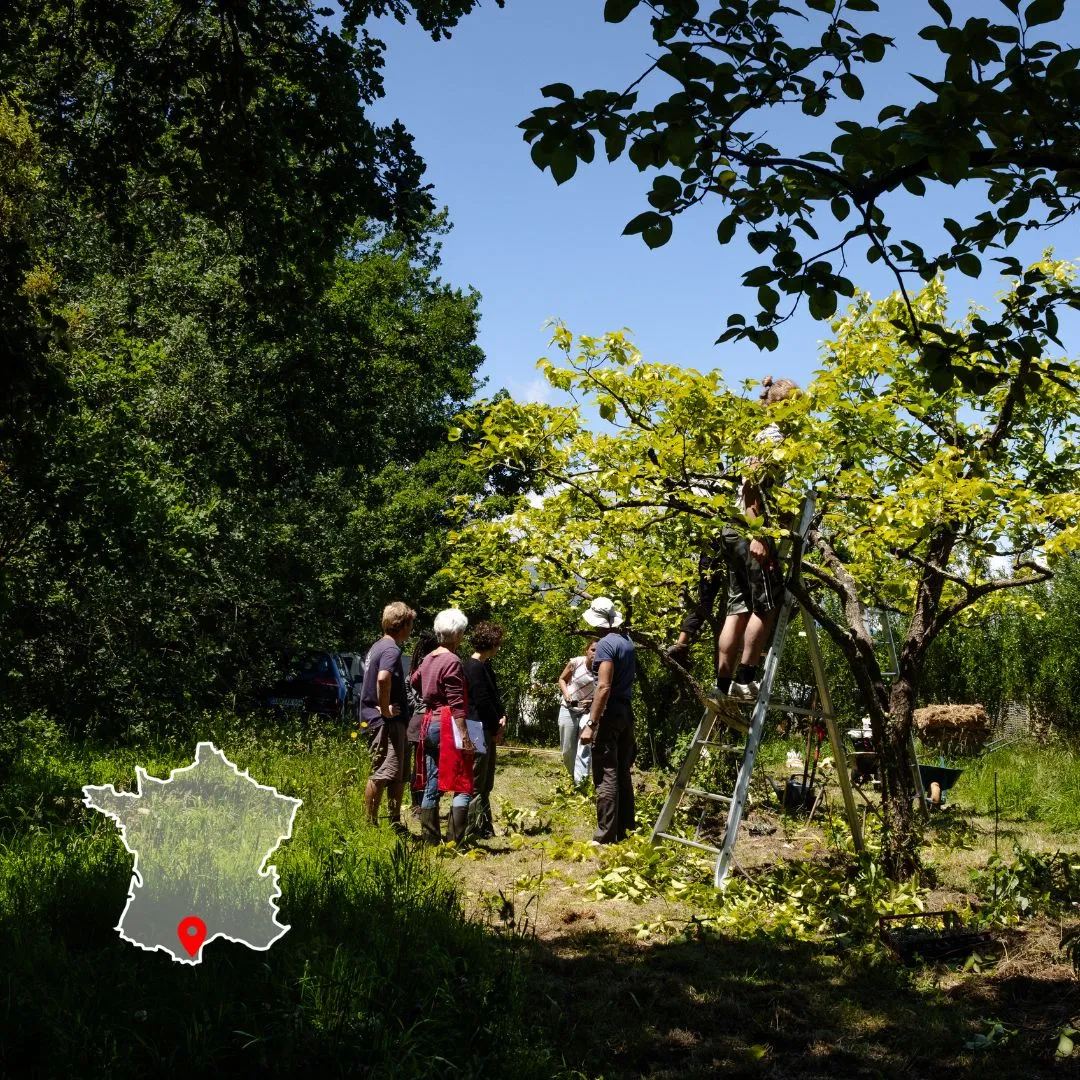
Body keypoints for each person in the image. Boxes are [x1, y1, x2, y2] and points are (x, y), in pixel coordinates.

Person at [669, 375, 800, 701]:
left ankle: (723, 685)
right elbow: (751, 485)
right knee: (766, 606)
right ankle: (745, 680)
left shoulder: (761, 435)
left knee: (737, 610)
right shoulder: (773, 438)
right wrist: (760, 535)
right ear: (788, 406)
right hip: (749, 533)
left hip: (733, 530)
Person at [410, 608, 474, 845]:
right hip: (447, 724)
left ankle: (430, 838)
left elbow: (413, 681)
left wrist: (430, 695)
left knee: (432, 781)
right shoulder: (452, 660)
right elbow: (457, 702)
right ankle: (455, 840)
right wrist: (465, 736)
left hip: (428, 722)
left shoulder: (428, 658)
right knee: (463, 781)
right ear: (457, 635)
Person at [579, 597, 636, 844]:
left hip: (610, 713)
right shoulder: (627, 641)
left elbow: (603, 686)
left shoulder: (604, 645)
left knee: (606, 772)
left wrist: (591, 723)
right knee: (623, 771)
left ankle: (604, 834)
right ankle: (626, 829)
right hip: (626, 711)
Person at [358, 601, 416, 830]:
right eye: (410, 624)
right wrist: (384, 709)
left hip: (387, 721)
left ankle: (393, 822)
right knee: (382, 772)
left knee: (397, 773)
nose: (411, 630)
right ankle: (370, 824)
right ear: (401, 625)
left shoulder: (377, 646)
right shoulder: (391, 649)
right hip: (385, 721)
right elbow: (383, 678)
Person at [463, 621, 507, 839]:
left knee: (486, 781)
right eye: (498, 643)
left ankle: (484, 825)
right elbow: (480, 701)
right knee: (477, 780)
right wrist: (494, 726)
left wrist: (502, 715)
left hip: (486, 727)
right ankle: (471, 828)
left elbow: (494, 697)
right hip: (477, 727)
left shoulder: (485, 666)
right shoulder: (473, 666)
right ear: (491, 643)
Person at [406, 629, 439, 818]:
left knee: (420, 765)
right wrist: (419, 704)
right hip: (424, 719)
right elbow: (408, 684)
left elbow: (407, 683)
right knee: (424, 765)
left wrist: (414, 703)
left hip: (420, 719)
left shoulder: (419, 663)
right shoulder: (429, 662)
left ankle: (419, 804)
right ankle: (419, 805)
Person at [558, 639, 597, 785]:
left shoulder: (603, 668)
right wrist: (567, 694)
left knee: (584, 746)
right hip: (568, 708)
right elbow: (562, 679)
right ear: (586, 650)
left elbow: (606, 690)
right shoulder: (576, 663)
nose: (595, 653)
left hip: (588, 711)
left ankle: (582, 784)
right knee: (567, 749)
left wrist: (593, 703)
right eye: (593, 650)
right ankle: (573, 779)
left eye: (599, 651)